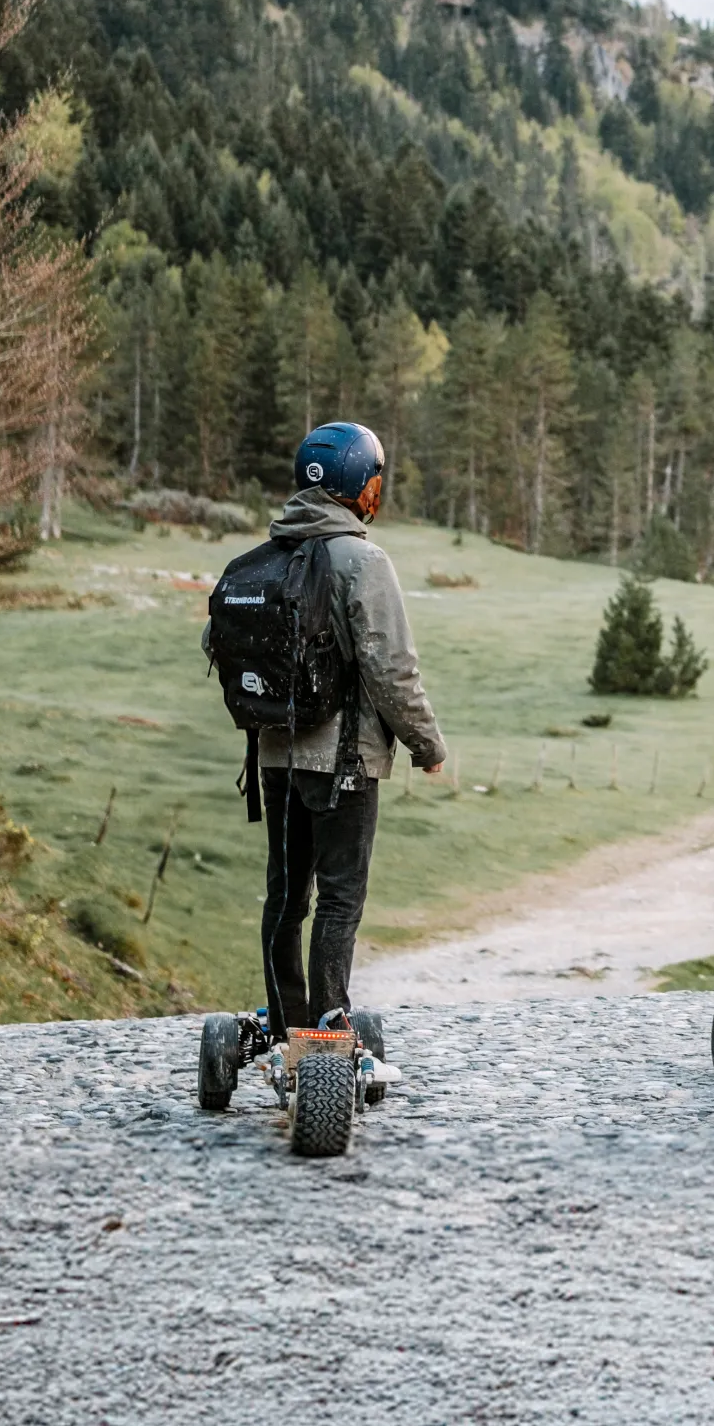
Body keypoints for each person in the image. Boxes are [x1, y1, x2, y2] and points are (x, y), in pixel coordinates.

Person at [241, 421, 445, 1036]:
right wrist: (426, 744)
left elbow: (220, 643)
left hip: (274, 759)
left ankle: (284, 1023)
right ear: (358, 485)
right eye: (375, 481)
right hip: (345, 765)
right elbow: (392, 668)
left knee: (284, 898)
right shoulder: (363, 560)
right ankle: (329, 1023)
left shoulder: (264, 558)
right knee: (338, 897)